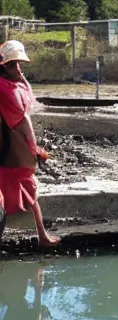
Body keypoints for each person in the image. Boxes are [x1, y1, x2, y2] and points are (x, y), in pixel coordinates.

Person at [0, 41, 59, 246]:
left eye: (19, 64)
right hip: (11, 146)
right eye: (13, 65)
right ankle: (42, 236)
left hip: (14, 147)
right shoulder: (5, 89)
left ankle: (42, 236)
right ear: (4, 67)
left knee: (30, 189)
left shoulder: (13, 86)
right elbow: (20, 114)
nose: (18, 68)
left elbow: (24, 108)